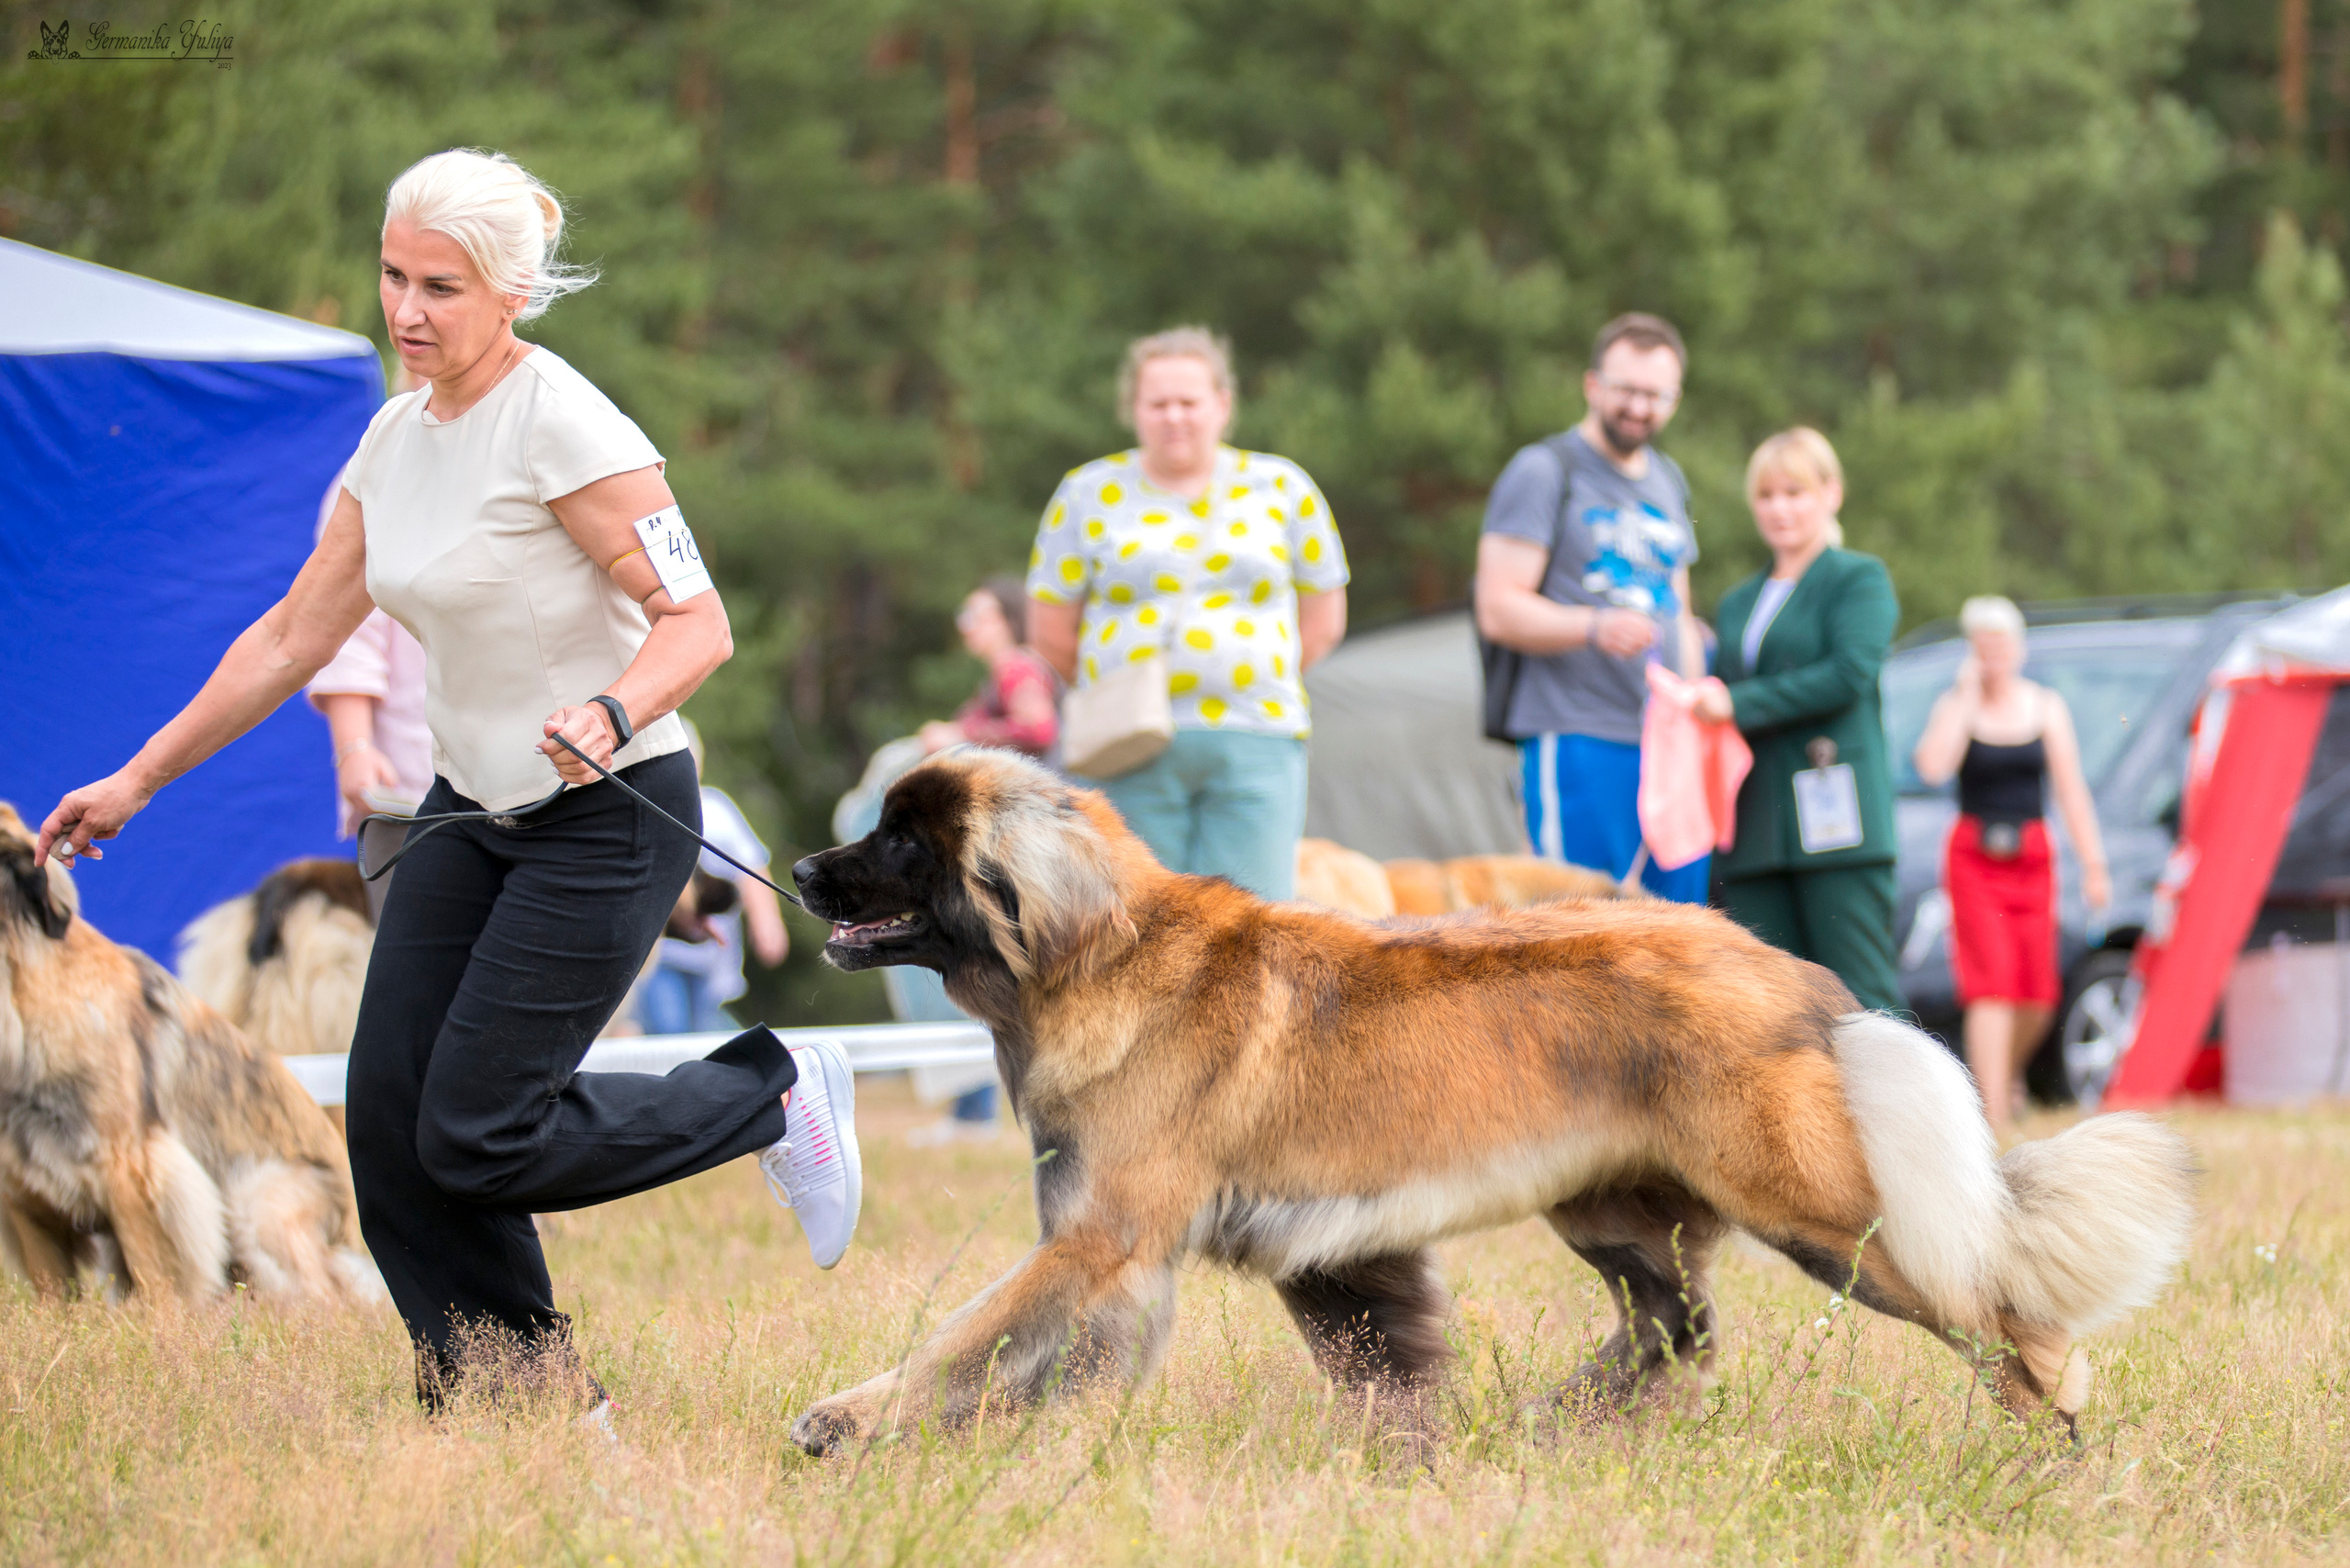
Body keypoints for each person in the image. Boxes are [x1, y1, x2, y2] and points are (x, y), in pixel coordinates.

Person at [36, 149, 862, 1411]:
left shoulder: (571, 428)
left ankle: (776, 1091)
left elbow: (698, 625)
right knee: (392, 1133)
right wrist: (138, 777)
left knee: (478, 1129)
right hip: (465, 813)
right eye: (392, 276)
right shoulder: (391, 434)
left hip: (606, 817)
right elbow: (290, 639)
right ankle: (518, 1399)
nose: (407, 311)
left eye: (443, 288)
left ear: (512, 294)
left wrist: (611, 705)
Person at [1026, 326, 1348, 901]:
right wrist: (1126, 691)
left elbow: (1324, 620)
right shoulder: (1087, 492)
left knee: (1252, 926)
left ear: (1222, 405)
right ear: (1134, 410)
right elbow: (1049, 632)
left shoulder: (1282, 485)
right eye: (1158, 403)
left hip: (1258, 737)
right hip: (1127, 749)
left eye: (1189, 401)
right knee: (1128, 925)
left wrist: (1249, 672)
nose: (1175, 416)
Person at [1474, 313, 1707, 901]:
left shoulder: (1668, 480)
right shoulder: (1545, 470)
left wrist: (1695, 701)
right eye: (1627, 389)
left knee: (1679, 940)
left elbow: (1678, 606)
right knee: (1582, 940)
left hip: (1664, 745)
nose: (1639, 407)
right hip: (1576, 736)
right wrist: (1594, 626)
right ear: (1593, 385)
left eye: (1656, 395)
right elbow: (1497, 607)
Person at [1698, 429, 1904, 1014]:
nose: (1780, 508)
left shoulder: (1858, 578)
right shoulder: (1740, 599)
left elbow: (1850, 673)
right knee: (1774, 1006)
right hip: (1757, 827)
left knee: (1862, 996)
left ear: (1831, 494)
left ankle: (1902, 1107)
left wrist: (1739, 703)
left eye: (1795, 491)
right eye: (1766, 495)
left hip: (1837, 822)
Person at [1911, 595, 2111, 1137]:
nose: (1993, 654)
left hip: (2031, 856)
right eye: (1983, 645)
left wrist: (2094, 863)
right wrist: (1963, 695)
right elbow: (1932, 765)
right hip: (1975, 857)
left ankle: (2007, 1077)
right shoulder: (1960, 704)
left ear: (2018, 648)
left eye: (2001, 643)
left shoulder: (2045, 706)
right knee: (1991, 985)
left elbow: (2071, 790)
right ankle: (1994, 1111)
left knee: (2037, 992)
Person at [640, 723, 789, 1036]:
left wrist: (767, 922)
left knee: (700, 1034)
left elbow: (751, 869)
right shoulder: (644, 812)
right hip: (658, 955)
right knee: (670, 1032)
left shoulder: (716, 810)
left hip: (710, 958)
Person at [917, 577, 1058, 759]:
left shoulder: (1016, 668)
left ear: (1007, 620)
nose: (966, 627)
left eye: (975, 615)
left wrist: (961, 734)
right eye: (963, 615)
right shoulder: (1005, 671)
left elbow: (1038, 731)